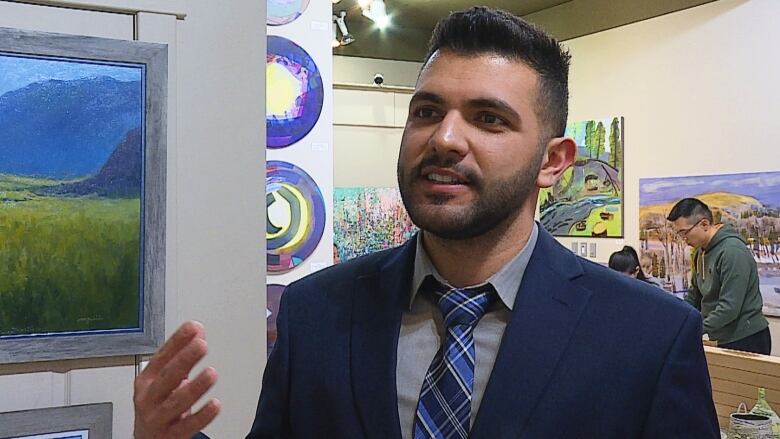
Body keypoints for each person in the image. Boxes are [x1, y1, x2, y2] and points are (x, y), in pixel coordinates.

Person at [133, 7, 719, 438]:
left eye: (488, 119)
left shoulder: (647, 337)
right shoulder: (318, 311)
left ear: (552, 161)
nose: (443, 138)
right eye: (427, 111)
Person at [667, 197, 771, 355]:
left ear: (704, 224)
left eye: (684, 232)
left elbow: (729, 307)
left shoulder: (732, 252)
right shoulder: (700, 252)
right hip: (723, 336)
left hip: (747, 337)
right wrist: (681, 320)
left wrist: (692, 329)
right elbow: (695, 295)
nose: (683, 239)